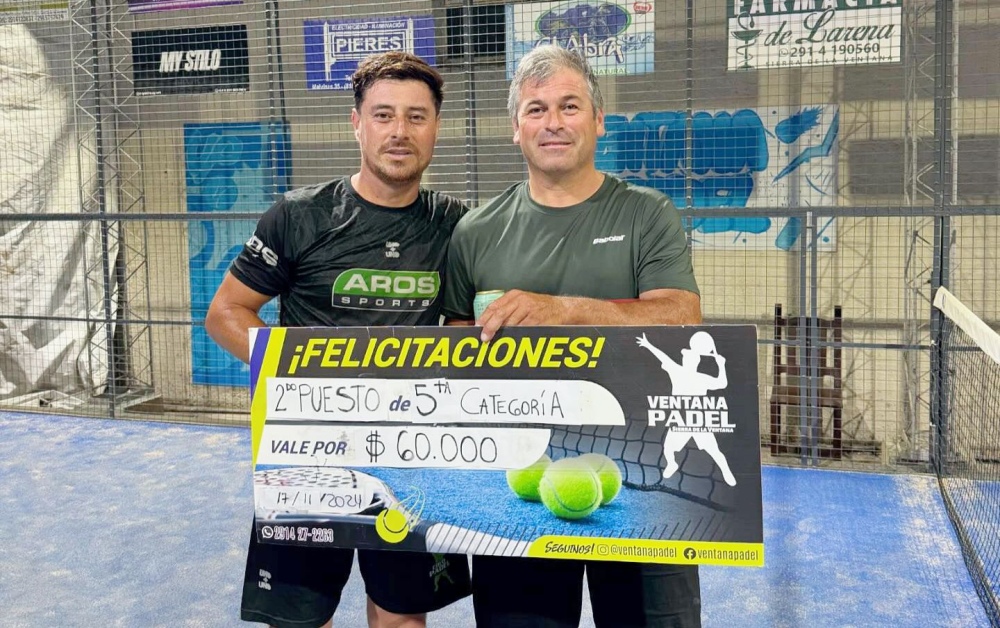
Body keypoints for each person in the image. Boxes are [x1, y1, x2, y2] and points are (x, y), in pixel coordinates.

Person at [205, 51, 471, 628]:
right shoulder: (298, 216)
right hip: (306, 452)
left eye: (416, 117)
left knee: (402, 615)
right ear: (357, 123)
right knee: (301, 617)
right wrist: (305, 372)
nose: (399, 132)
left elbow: (465, 331)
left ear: (436, 128)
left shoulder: (459, 225)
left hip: (414, 456)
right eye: (383, 115)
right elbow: (227, 312)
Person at [441, 45, 703, 628]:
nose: (553, 123)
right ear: (515, 129)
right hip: (520, 484)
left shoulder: (646, 213)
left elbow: (680, 316)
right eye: (535, 110)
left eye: (569, 106)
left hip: (645, 482)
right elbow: (458, 353)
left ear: (598, 120)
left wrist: (559, 309)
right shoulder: (474, 232)